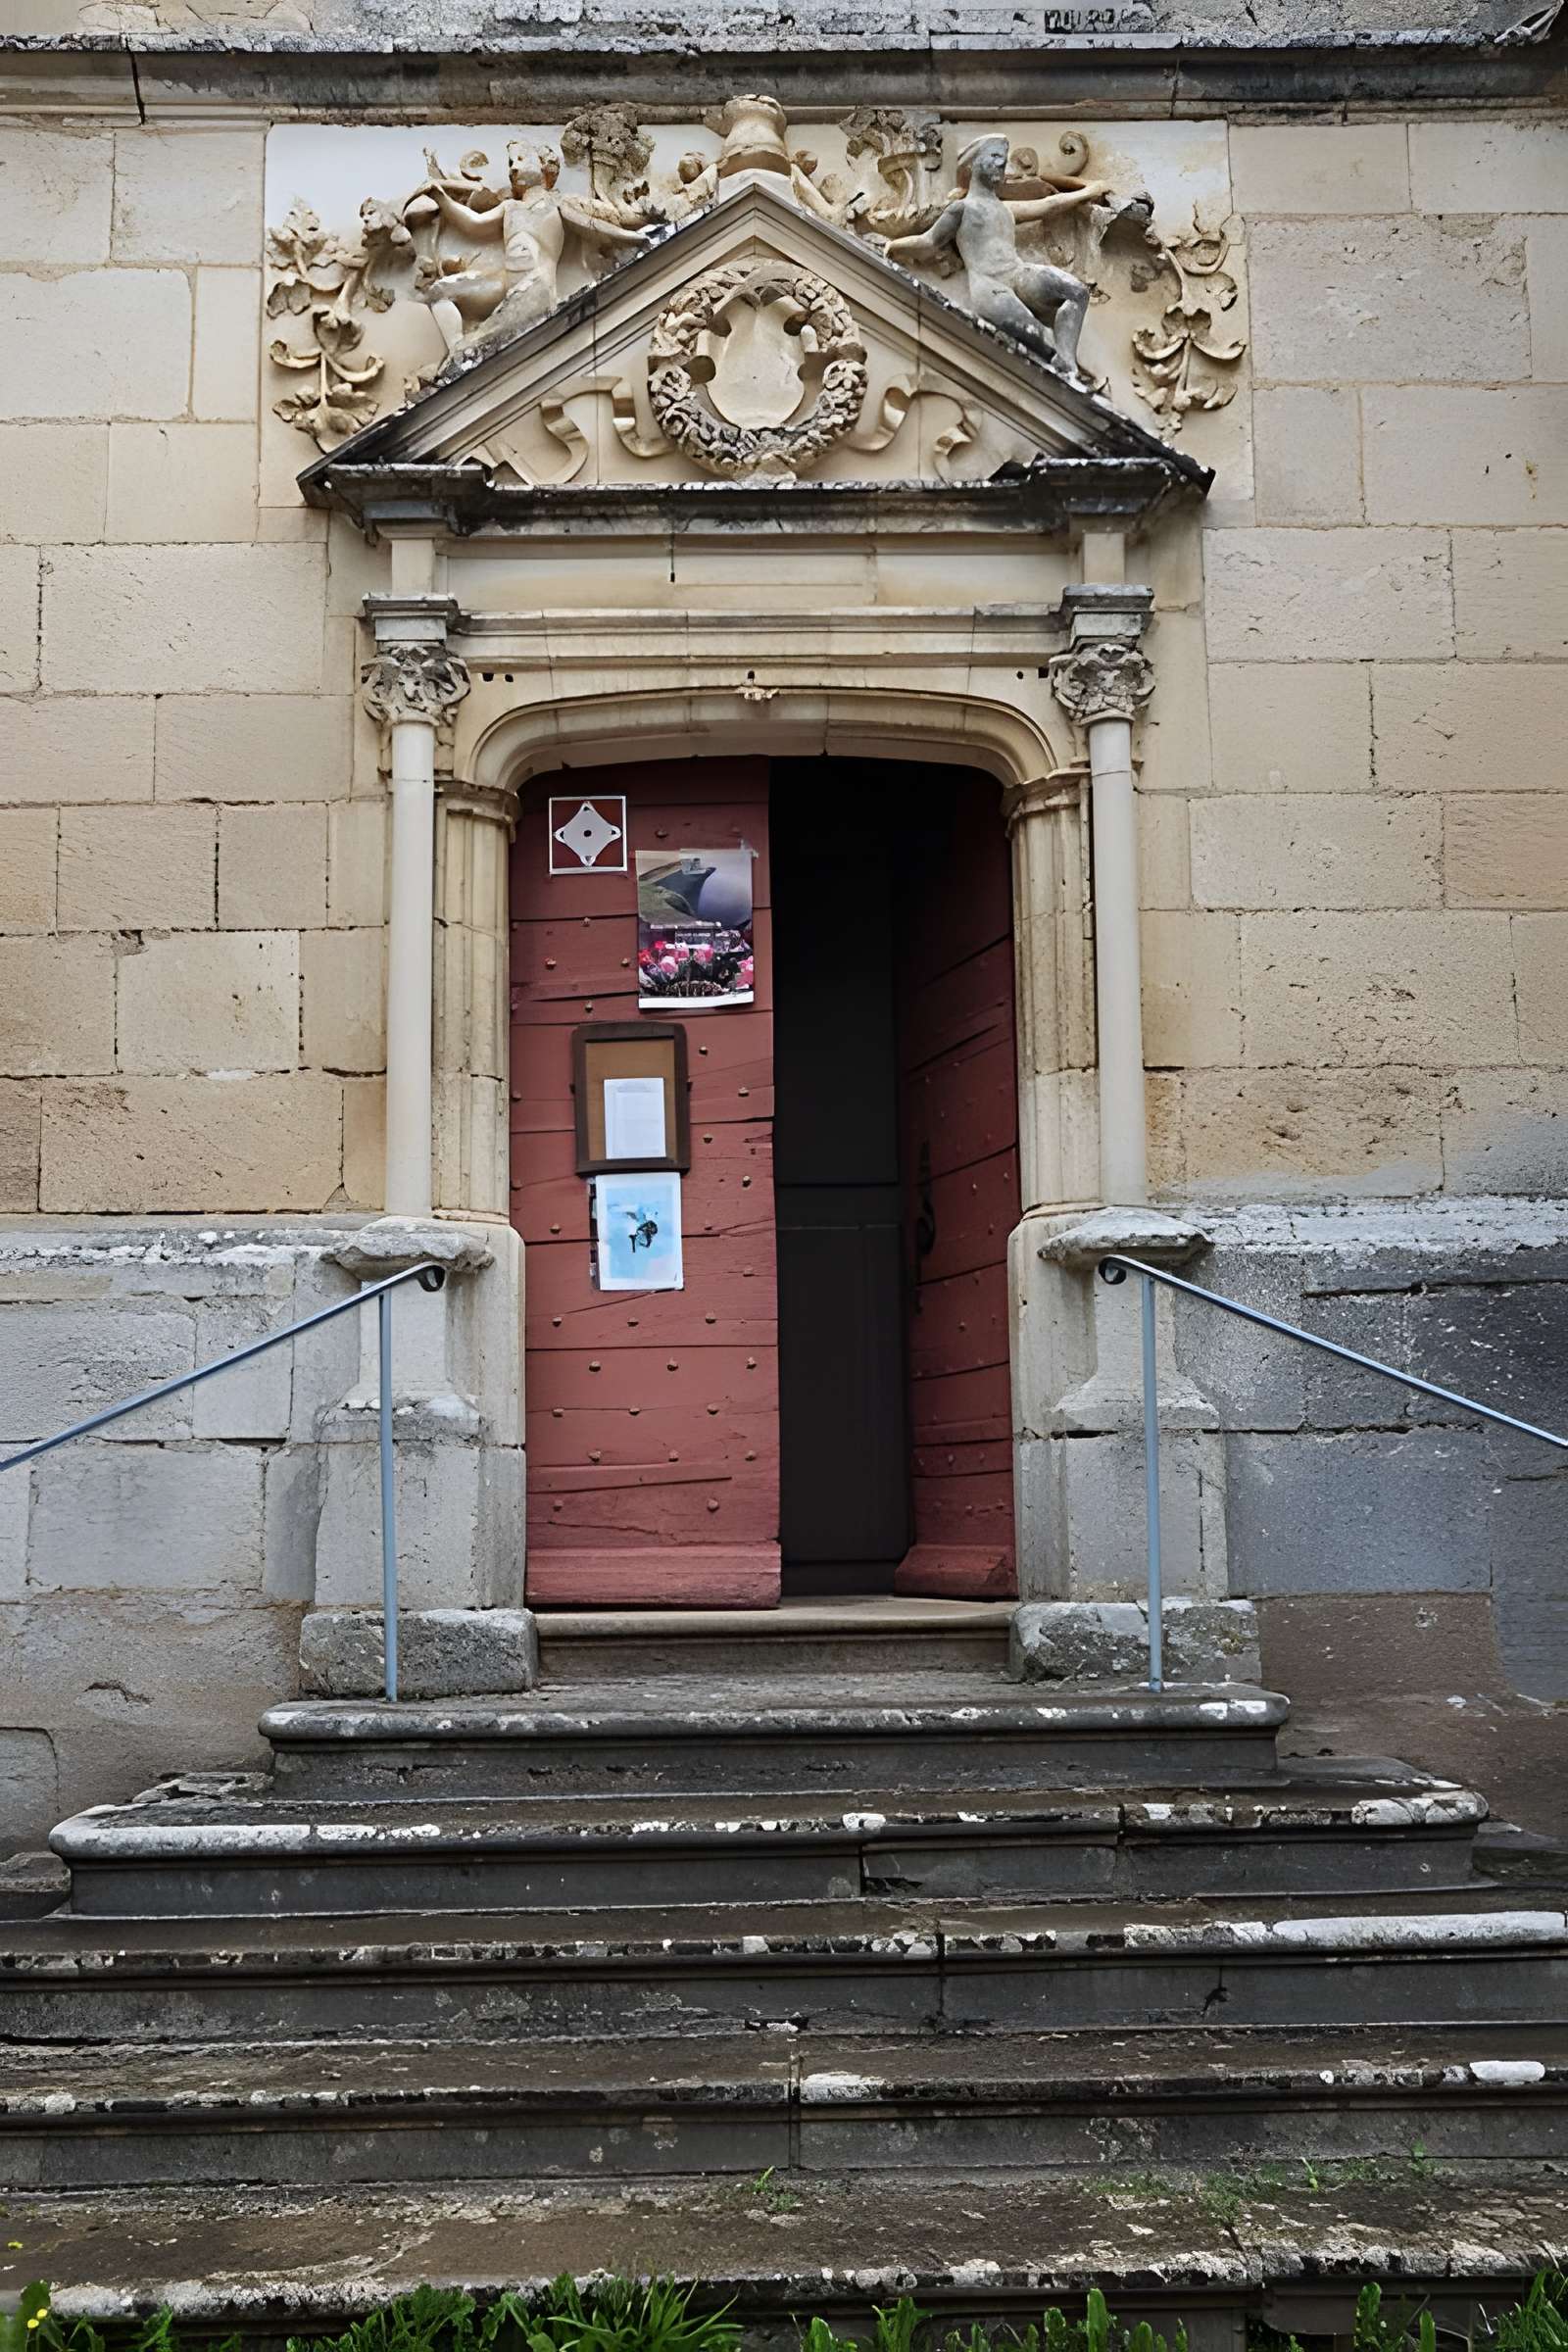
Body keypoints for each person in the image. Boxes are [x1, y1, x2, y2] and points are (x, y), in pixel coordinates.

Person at [886, 132, 1110, 379]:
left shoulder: (1006, 209)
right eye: (993, 156)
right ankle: (1064, 372)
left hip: (1017, 274)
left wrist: (1088, 192)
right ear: (972, 164)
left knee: (1076, 292)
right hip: (990, 286)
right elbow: (928, 241)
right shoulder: (962, 208)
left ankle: (1068, 364)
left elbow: (1050, 205)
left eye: (1003, 159)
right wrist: (893, 246)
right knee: (1039, 338)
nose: (1001, 163)